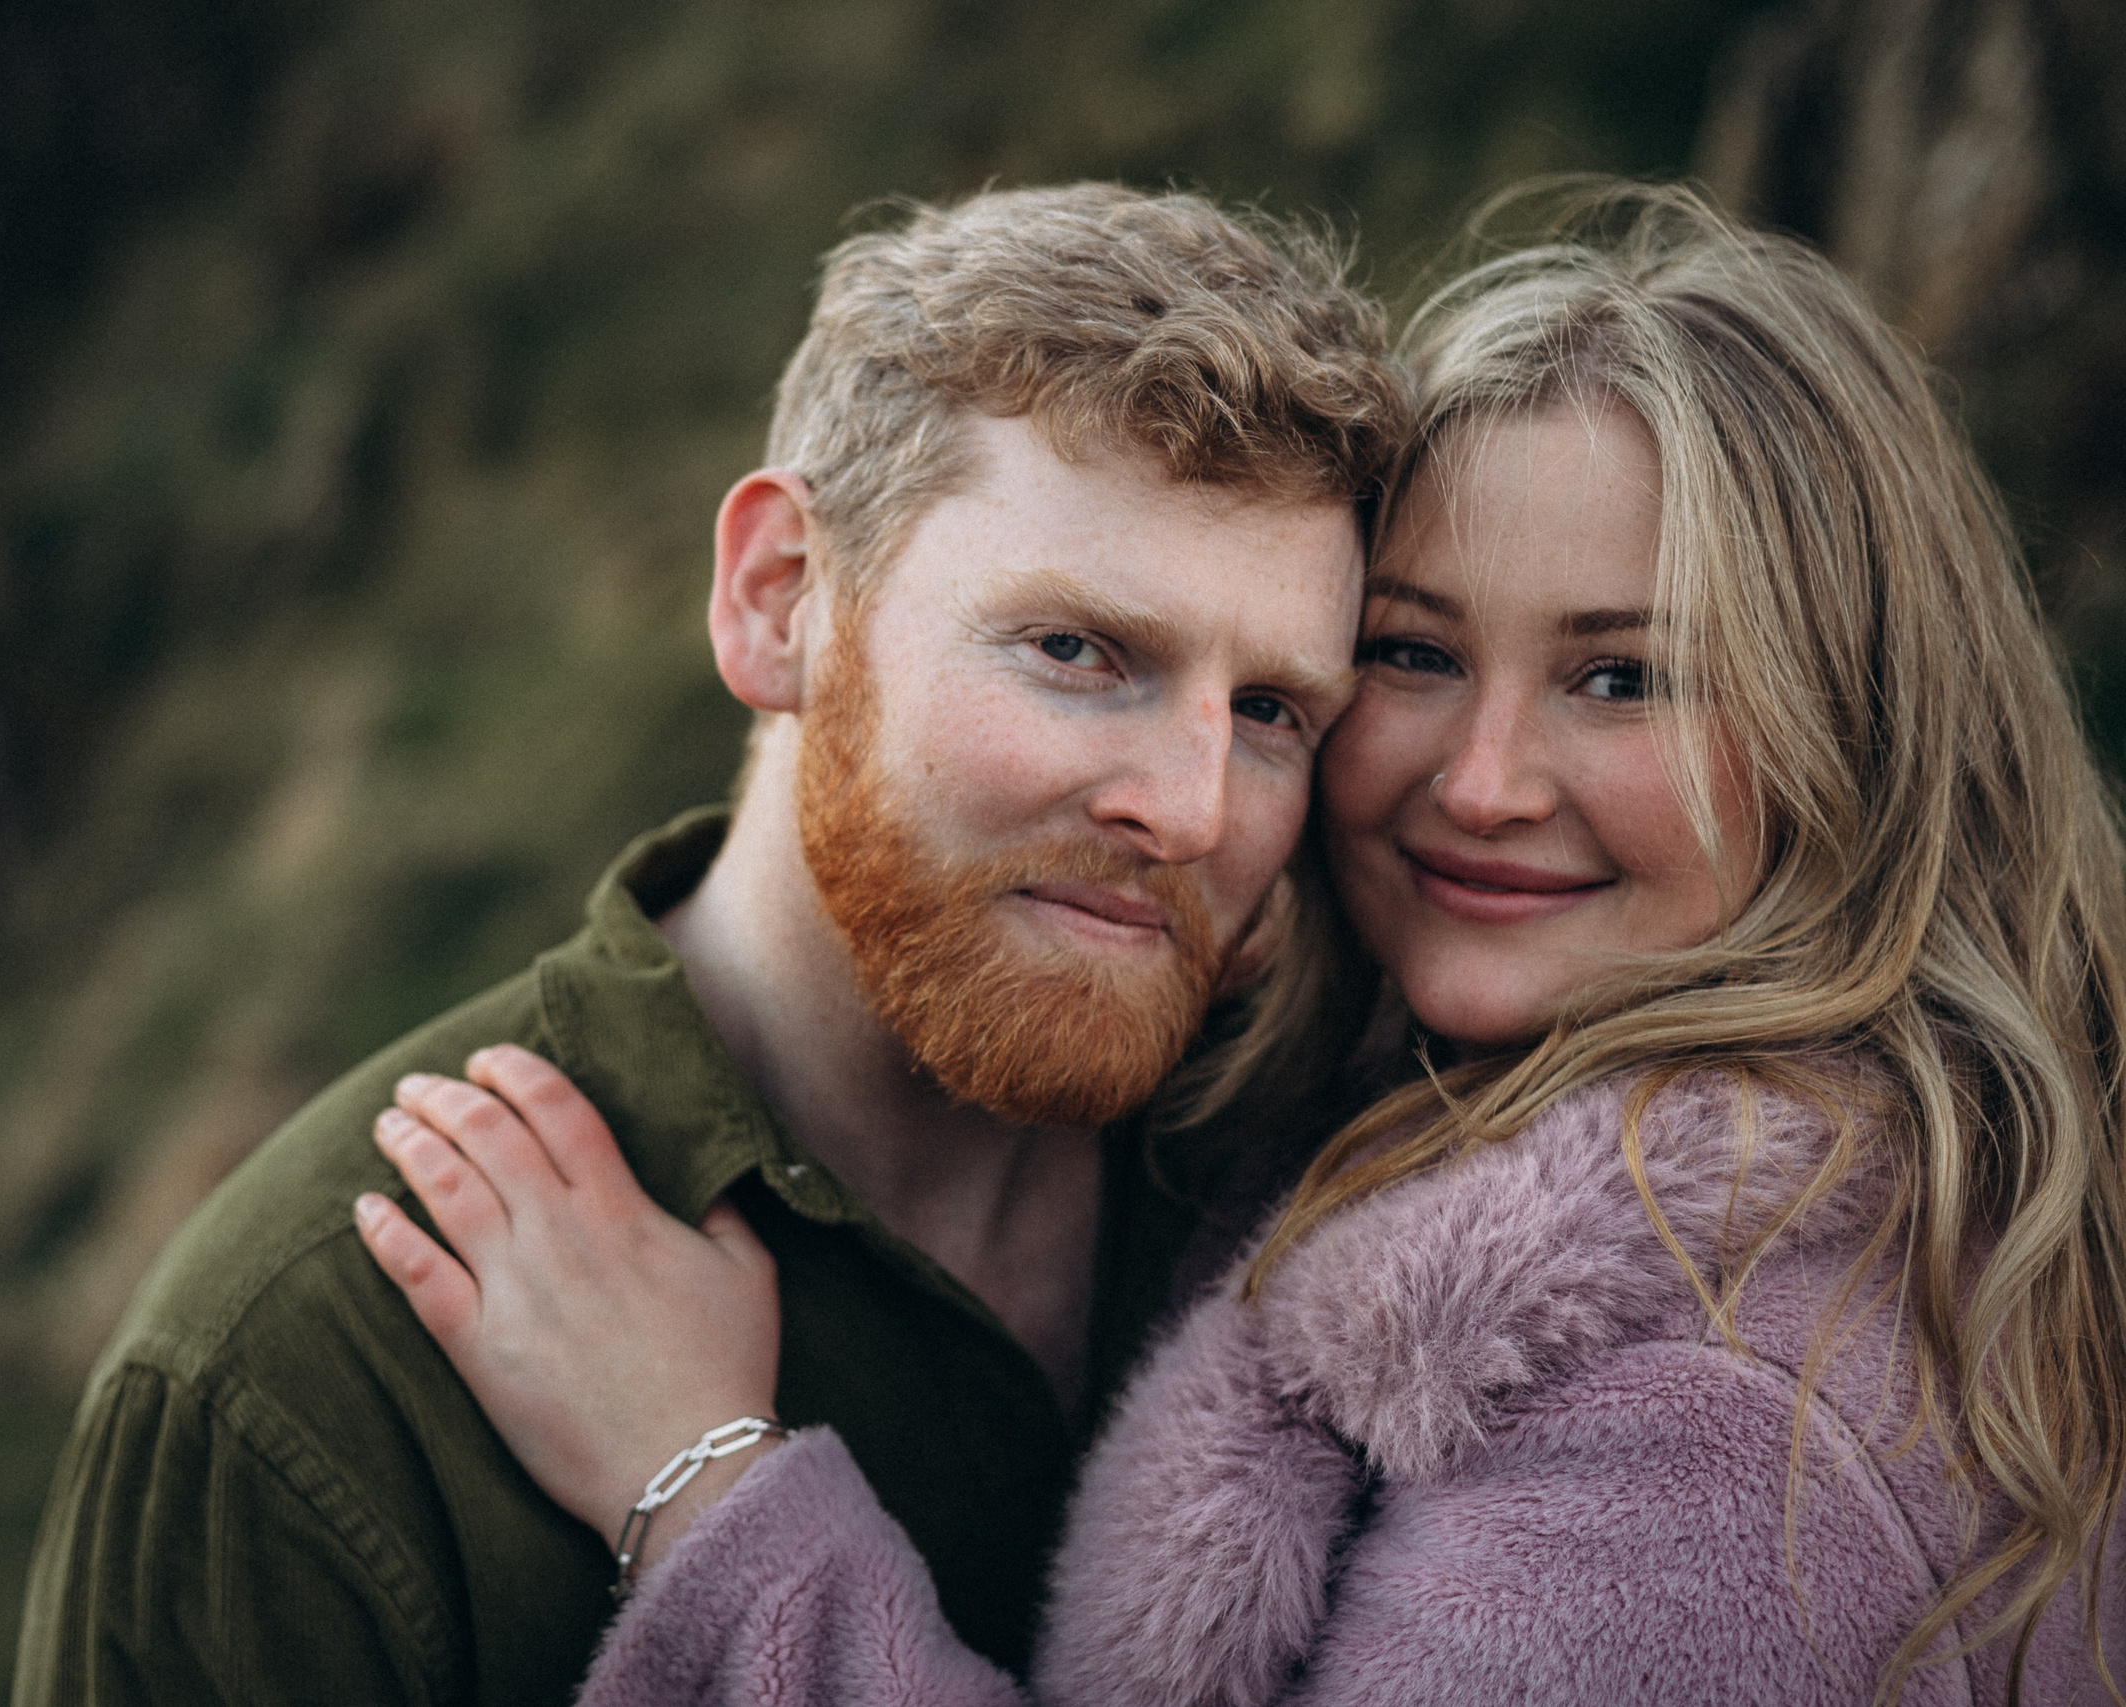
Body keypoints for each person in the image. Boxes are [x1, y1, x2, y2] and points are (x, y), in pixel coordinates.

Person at [355, 185, 2126, 1704]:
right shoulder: (1391, 1109)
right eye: (1414, 658)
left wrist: (706, 1494)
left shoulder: (1731, 1420)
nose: (1481, 783)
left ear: (1861, 735)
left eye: (1620, 678)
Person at [11, 183, 1411, 1706]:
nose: (1192, 810)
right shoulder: (293, 1382)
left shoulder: (1354, 1179)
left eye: (1271, 710)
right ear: (779, 602)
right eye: (1078, 652)